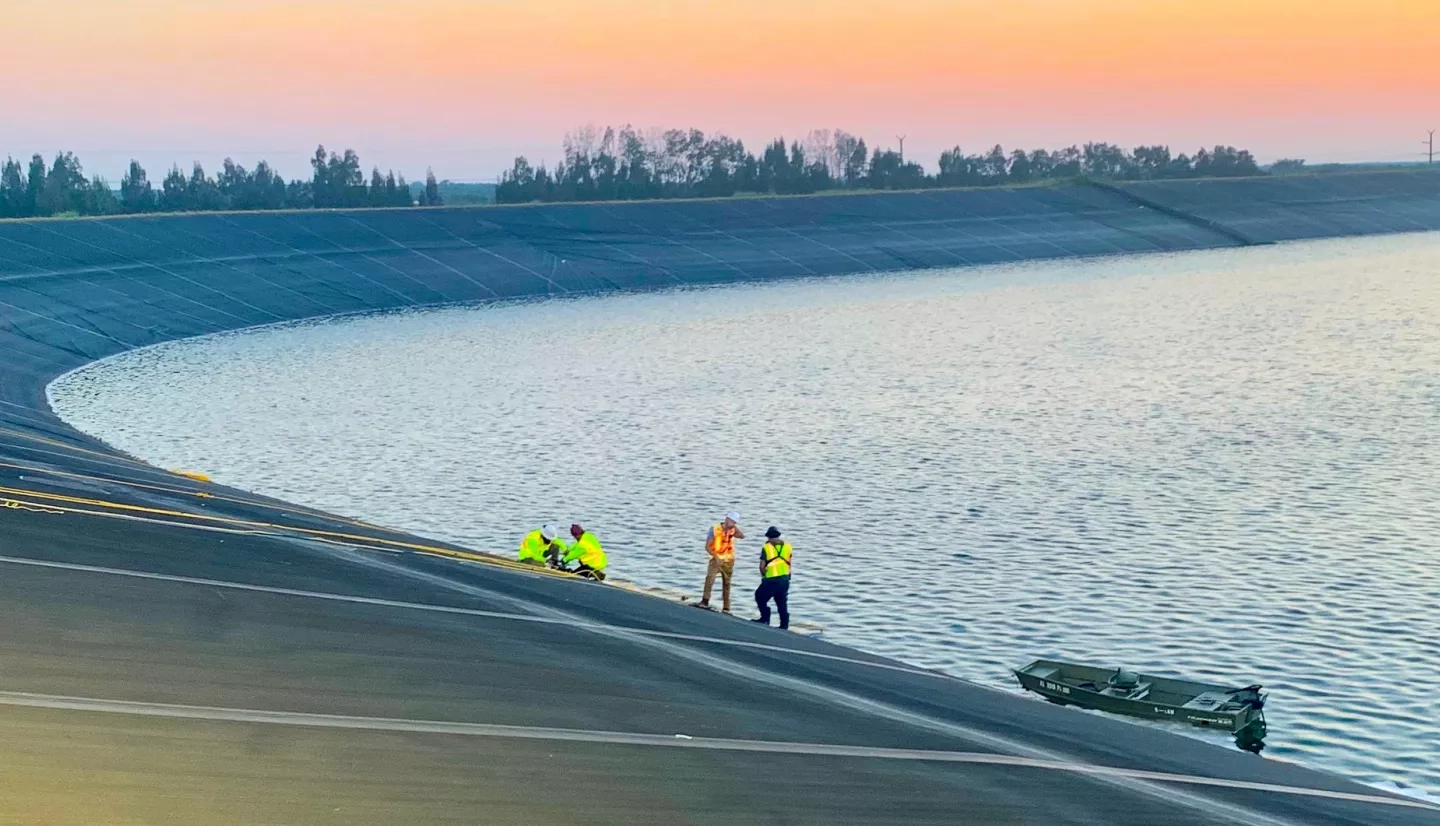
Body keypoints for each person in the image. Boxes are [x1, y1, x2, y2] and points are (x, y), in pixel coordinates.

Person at [698, 511, 744, 613]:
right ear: (727, 519)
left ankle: (726, 607)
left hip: (728, 560)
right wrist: (716, 557)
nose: (733, 524)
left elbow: (742, 536)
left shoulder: (732, 530)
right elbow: (707, 547)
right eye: (732, 521)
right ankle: (705, 601)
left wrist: (733, 527)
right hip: (716, 559)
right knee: (710, 579)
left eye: (735, 522)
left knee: (727, 583)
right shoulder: (714, 529)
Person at [753, 526, 792, 629]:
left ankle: (765, 618)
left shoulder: (767, 547)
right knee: (781, 602)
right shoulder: (788, 547)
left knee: (759, 596)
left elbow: (762, 566)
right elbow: (789, 563)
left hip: (771, 580)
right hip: (784, 580)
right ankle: (784, 625)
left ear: (769, 537)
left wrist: (764, 575)